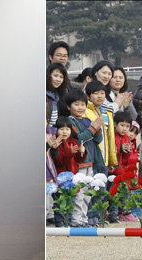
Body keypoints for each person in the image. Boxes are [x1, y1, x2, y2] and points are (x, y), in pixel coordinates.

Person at [66, 89, 104, 227]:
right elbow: (79, 138)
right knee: (79, 194)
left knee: (88, 194)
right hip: (79, 163)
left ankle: (84, 219)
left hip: (90, 162)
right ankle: (76, 221)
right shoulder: (70, 122)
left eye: (83, 104)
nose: (80, 107)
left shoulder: (88, 120)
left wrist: (98, 128)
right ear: (69, 107)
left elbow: (97, 139)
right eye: (76, 104)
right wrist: (93, 128)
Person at [84, 80, 119, 224]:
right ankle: (90, 217)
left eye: (102, 93)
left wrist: (112, 160)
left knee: (102, 190)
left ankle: (98, 217)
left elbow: (110, 138)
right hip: (92, 157)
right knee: (92, 188)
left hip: (104, 158)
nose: (99, 96)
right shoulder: (86, 111)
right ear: (88, 96)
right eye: (95, 93)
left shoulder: (106, 112)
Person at [52, 116, 87, 227]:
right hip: (60, 178)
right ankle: (60, 223)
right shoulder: (56, 143)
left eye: (67, 129)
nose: (64, 132)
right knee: (59, 201)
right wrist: (70, 152)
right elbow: (59, 161)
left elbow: (79, 160)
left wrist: (82, 152)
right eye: (61, 129)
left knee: (71, 201)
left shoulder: (73, 142)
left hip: (72, 177)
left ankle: (69, 222)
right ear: (56, 130)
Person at [111, 111, 139, 222]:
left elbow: (127, 158)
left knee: (125, 192)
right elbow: (112, 151)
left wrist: (127, 151)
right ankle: (114, 214)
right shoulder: (113, 136)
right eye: (122, 125)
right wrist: (121, 149)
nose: (124, 129)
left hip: (122, 170)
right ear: (115, 124)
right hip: (113, 170)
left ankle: (124, 212)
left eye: (127, 126)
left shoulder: (127, 138)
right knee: (113, 193)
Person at [46, 101, 59, 226]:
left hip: (49, 172)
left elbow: (54, 156)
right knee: (44, 203)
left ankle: (50, 217)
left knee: (49, 201)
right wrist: (47, 145)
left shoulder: (50, 133)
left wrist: (54, 148)